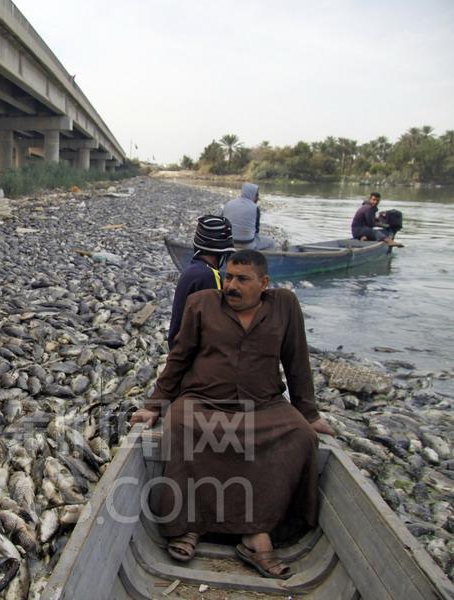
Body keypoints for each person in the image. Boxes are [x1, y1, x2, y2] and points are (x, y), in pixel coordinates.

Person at [131, 250, 333, 579]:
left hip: (263, 404)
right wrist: (154, 405)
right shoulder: (202, 304)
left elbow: (297, 361)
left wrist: (308, 413)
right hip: (204, 400)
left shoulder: (284, 305)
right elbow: (179, 358)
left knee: (300, 437)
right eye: (228, 277)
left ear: (264, 283)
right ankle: (189, 525)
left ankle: (257, 532)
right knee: (180, 424)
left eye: (242, 279)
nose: (232, 286)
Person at [167, 215, 234, 349]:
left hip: (177, 345)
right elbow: (215, 323)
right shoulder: (209, 276)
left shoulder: (193, 270)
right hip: (190, 352)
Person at [222, 183, 275, 251]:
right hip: (247, 244)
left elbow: (222, 223)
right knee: (271, 243)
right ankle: (260, 257)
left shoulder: (228, 203)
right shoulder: (255, 208)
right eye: (256, 195)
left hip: (228, 243)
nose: (258, 198)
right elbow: (256, 230)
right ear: (252, 194)